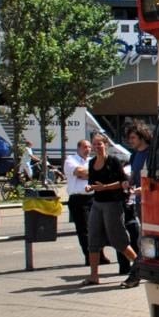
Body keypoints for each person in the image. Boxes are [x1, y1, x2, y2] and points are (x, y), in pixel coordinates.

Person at [82, 135, 138, 285]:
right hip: (97, 203)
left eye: (99, 144)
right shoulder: (92, 162)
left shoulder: (113, 161)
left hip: (112, 204)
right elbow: (91, 183)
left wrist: (104, 187)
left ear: (105, 145)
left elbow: (123, 182)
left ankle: (140, 267)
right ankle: (93, 276)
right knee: (92, 239)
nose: (96, 147)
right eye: (94, 144)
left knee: (117, 240)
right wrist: (89, 187)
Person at [119, 120, 153, 288]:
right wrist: (128, 183)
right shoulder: (135, 155)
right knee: (144, 239)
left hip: (153, 202)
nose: (130, 141)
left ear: (142, 136)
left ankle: (135, 275)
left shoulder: (152, 153)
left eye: (133, 137)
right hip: (140, 202)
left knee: (143, 239)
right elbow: (133, 176)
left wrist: (144, 188)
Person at [63, 138, 100, 266]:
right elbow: (78, 171)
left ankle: (99, 255)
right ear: (78, 148)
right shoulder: (70, 160)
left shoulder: (92, 161)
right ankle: (90, 257)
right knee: (84, 230)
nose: (88, 149)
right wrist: (93, 174)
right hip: (78, 200)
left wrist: (88, 174)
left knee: (97, 229)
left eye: (89, 147)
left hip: (93, 198)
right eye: (85, 147)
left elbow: (100, 174)